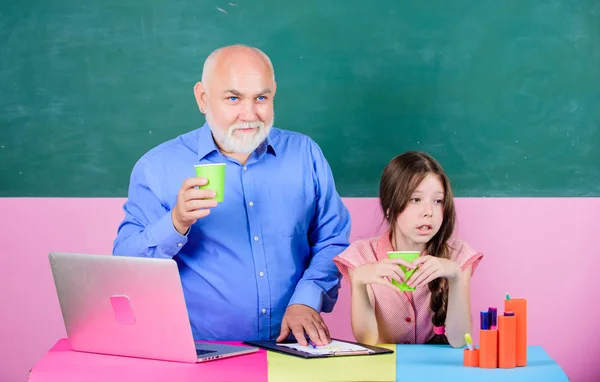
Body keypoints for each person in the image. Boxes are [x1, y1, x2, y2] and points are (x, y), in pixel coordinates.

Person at [113, 44, 351, 346]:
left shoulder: (305, 155)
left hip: (292, 348)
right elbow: (124, 264)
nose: (249, 114)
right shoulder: (157, 167)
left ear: (274, 92)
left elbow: (332, 239)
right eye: (233, 98)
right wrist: (176, 221)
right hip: (201, 352)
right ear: (203, 98)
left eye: (261, 98)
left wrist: (307, 299)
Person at [333, 151, 483, 347]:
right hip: (387, 371)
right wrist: (360, 282)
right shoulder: (362, 255)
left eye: (438, 201)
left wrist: (455, 275)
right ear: (390, 207)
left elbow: (459, 340)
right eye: (416, 199)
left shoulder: (458, 255)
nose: (428, 212)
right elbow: (367, 340)